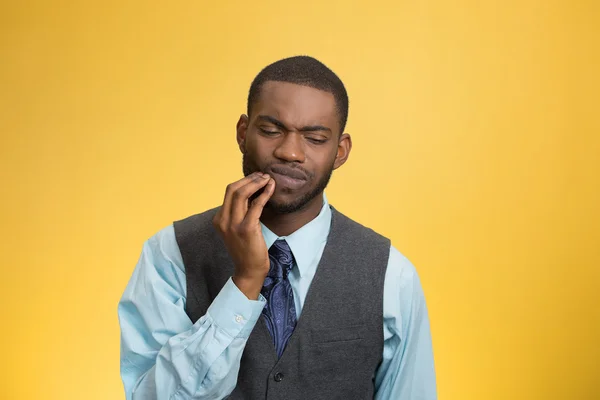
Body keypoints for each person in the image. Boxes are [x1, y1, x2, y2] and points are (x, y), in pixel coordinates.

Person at [118, 55, 437, 400]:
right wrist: (245, 282)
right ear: (243, 133)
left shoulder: (392, 275)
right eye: (271, 131)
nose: (290, 152)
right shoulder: (171, 254)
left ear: (340, 152)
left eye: (314, 138)